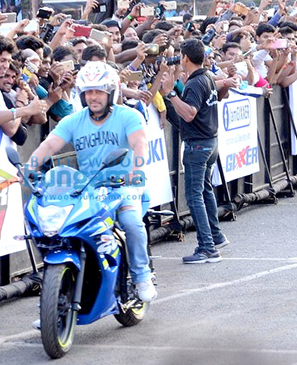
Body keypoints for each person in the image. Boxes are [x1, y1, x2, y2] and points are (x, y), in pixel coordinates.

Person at [28, 61, 157, 302]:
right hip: (89, 189)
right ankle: (54, 299)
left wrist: (137, 169)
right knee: (60, 231)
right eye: (88, 92)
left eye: (99, 91)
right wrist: (29, 166)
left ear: (111, 93)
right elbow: (49, 145)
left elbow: (140, 144)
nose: (93, 97)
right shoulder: (74, 121)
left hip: (126, 185)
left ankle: (141, 275)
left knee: (130, 222)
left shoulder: (129, 115)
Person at [165, 39, 229, 263]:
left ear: (184, 58)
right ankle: (215, 235)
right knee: (204, 190)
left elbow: (189, 113)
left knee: (194, 196)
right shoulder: (207, 77)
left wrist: (171, 95)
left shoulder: (195, 83)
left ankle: (207, 248)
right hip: (210, 142)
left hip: (199, 144)